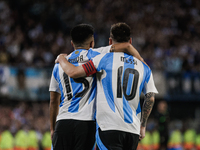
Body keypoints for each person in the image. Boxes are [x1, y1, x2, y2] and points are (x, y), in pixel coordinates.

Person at [56, 22, 158, 150]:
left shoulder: (102, 59)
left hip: (109, 127)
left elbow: (74, 72)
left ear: (110, 41)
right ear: (131, 40)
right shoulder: (145, 68)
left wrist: (61, 58)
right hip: (132, 130)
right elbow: (151, 98)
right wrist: (142, 127)